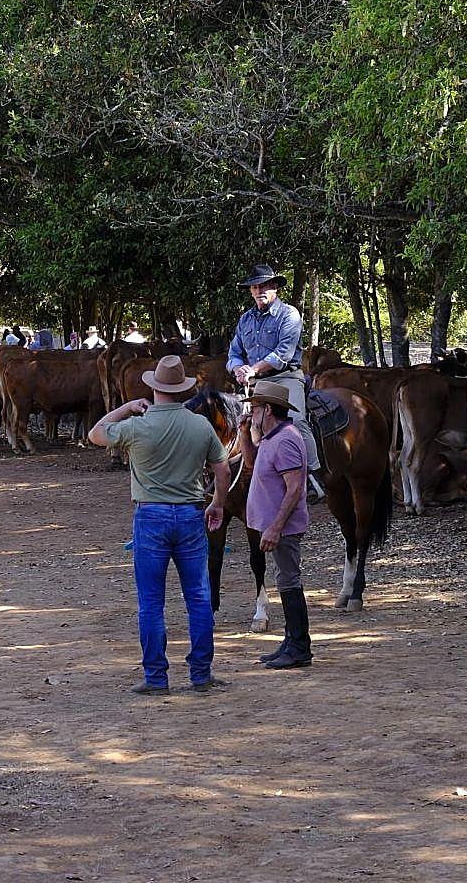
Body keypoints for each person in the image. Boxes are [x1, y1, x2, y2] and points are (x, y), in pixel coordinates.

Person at [87, 355, 231, 695]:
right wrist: (218, 504)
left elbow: (96, 433)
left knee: (151, 602)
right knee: (198, 596)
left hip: (150, 515)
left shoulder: (138, 425)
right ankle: (200, 673)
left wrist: (125, 408)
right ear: (183, 390)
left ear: (153, 388)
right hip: (191, 515)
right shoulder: (200, 426)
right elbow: (222, 470)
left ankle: (156, 676)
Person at [226, 263, 321, 498]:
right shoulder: (245, 320)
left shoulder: (289, 315)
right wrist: (238, 369)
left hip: (286, 377)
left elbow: (283, 354)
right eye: (255, 287)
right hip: (255, 381)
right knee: (241, 423)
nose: (260, 291)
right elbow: (234, 353)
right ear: (250, 291)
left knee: (296, 421)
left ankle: (312, 476)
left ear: (275, 288)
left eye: (265, 286)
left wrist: (253, 369)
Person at [244, 381, 313, 671]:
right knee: (284, 579)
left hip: (281, 526)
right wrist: (243, 433)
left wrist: (275, 527)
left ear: (268, 409)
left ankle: (299, 646)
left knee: (289, 581)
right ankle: (290, 641)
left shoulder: (285, 439)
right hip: (274, 525)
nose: (251, 411)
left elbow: (294, 487)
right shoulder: (270, 437)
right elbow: (251, 464)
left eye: (255, 407)